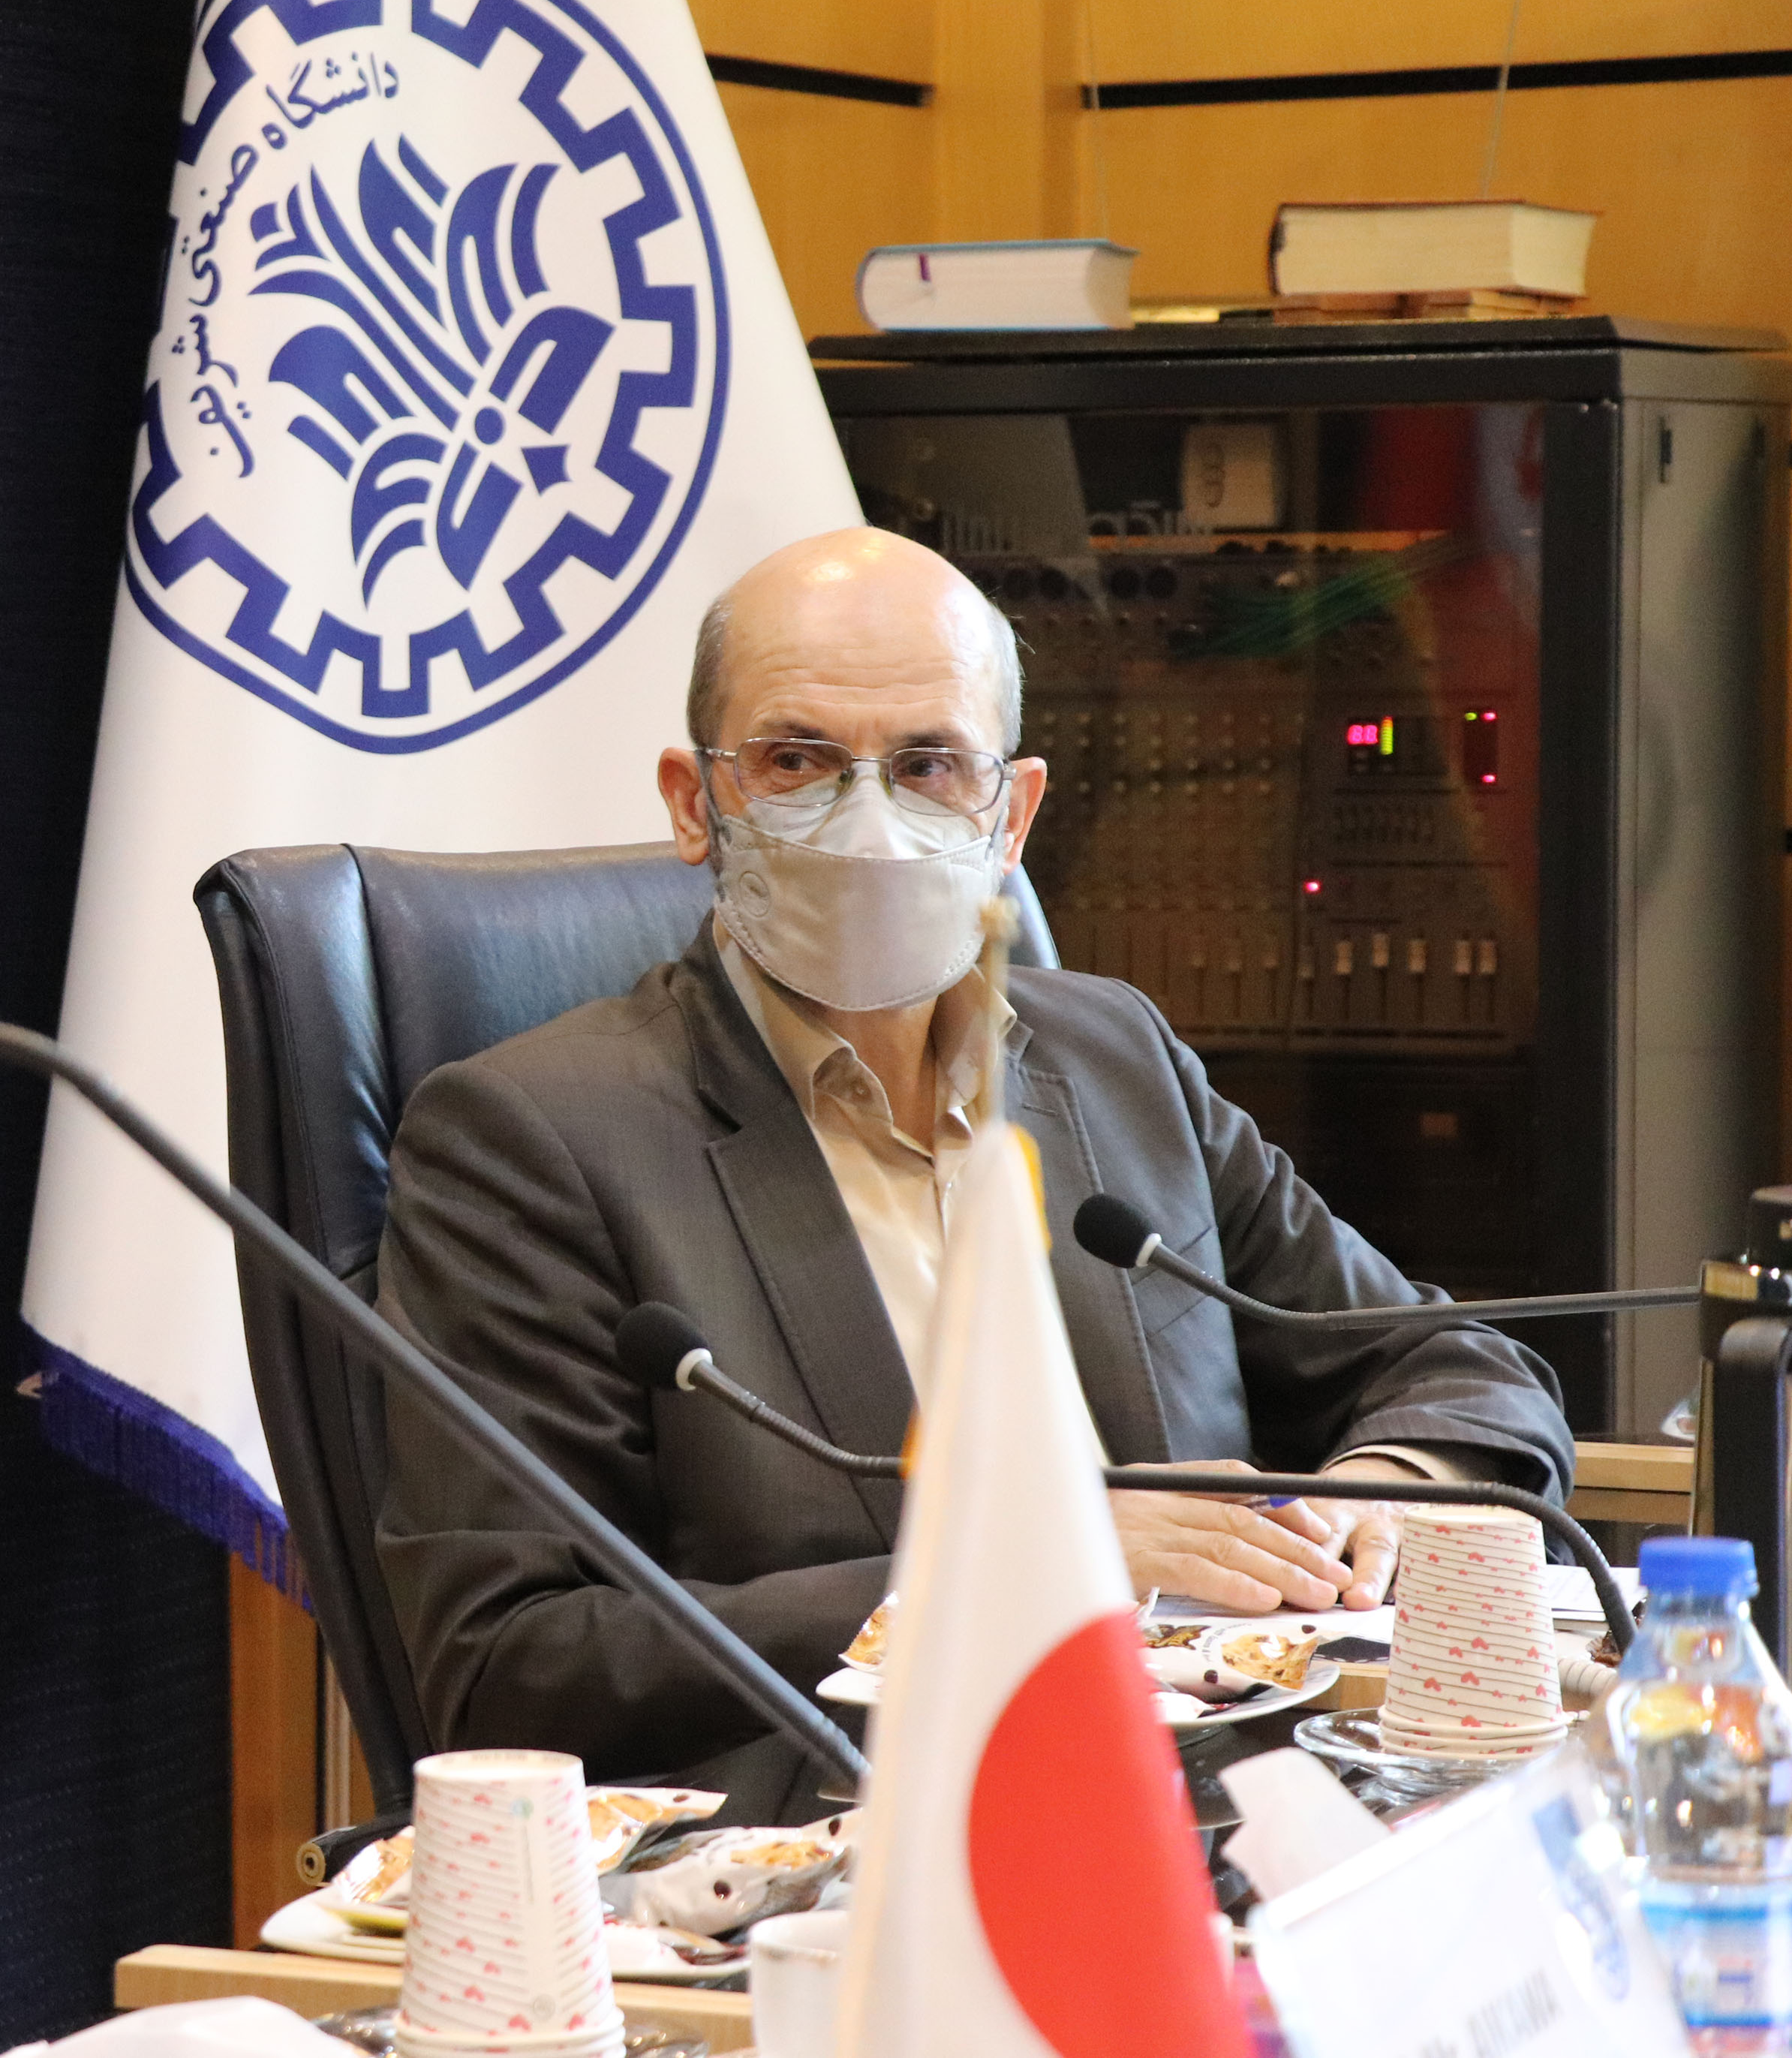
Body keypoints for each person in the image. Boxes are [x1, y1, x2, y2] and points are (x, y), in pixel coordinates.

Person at [373, 525, 1574, 1816]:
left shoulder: (1114, 1057)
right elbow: (510, 1663)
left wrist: (1368, 1504)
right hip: (855, 1853)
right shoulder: (527, 1138)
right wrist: (1015, 1569)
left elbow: (1459, 1370)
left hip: (1239, 1808)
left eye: (930, 764)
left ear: (1013, 813)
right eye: (796, 761)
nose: (868, 820)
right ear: (692, 800)